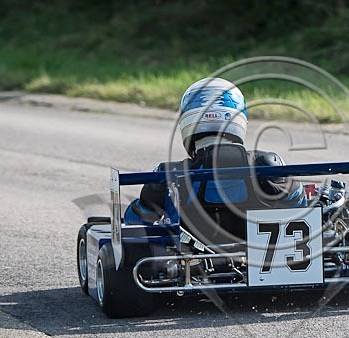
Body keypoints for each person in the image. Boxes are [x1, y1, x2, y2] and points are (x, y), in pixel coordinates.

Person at [124, 77, 306, 242]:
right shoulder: (266, 165)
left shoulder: (170, 174)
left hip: (193, 268)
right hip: (264, 265)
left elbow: (137, 222)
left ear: (188, 122)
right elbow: (300, 210)